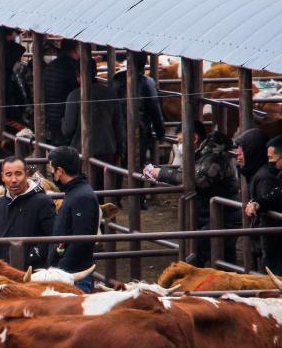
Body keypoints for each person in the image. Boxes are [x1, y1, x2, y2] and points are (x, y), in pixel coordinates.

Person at [145, 122, 240, 266]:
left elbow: (196, 180)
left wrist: (162, 173)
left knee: (196, 255)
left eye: (180, 141)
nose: (178, 145)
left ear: (194, 138)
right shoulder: (203, 154)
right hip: (216, 216)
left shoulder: (213, 156)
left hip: (222, 218)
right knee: (223, 258)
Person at [61, 59, 125, 193]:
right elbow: (119, 124)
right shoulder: (110, 93)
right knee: (105, 190)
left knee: (84, 189)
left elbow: (68, 128)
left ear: (78, 75)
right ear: (96, 72)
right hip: (107, 149)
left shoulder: (74, 95)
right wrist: (120, 148)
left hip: (81, 150)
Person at [46, 146, 99, 291]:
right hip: (69, 272)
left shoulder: (81, 197)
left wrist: (61, 269)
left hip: (74, 275)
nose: (51, 173)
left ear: (60, 171)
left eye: (52, 169)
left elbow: (81, 239)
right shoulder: (76, 193)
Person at [0, 155, 56, 269]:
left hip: (33, 270)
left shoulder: (43, 202)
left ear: (27, 174)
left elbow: (52, 236)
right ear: (2, 177)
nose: (14, 180)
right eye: (8, 174)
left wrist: (31, 256)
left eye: (18, 174)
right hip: (4, 269)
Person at [236, 127, 282, 272]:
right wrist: (260, 203)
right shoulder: (266, 176)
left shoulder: (264, 177)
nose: (271, 163)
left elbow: (276, 197)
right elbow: (277, 194)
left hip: (273, 248)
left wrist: (265, 251)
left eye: (272, 159)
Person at [112, 62, 165, 168]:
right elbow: (154, 106)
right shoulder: (147, 82)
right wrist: (160, 132)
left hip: (116, 130)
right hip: (138, 130)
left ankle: (119, 182)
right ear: (144, 66)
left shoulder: (116, 79)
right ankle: (136, 183)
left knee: (118, 164)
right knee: (136, 164)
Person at [42, 39, 80, 146]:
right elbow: (77, 91)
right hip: (65, 116)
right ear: (76, 50)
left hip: (51, 114)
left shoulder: (52, 65)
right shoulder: (71, 67)